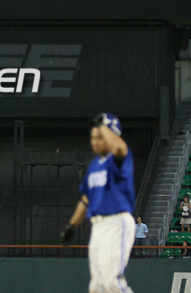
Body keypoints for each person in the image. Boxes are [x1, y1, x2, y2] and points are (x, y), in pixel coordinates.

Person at [60, 113, 136, 293]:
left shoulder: (118, 159)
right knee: (97, 287)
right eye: (93, 137)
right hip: (98, 227)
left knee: (111, 283)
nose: (94, 142)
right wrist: (72, 226)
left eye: (100, 137)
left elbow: (120, 148)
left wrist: (104, 126)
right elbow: (86, 199)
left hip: (116, 222)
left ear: (112, 136)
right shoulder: (95, 164)